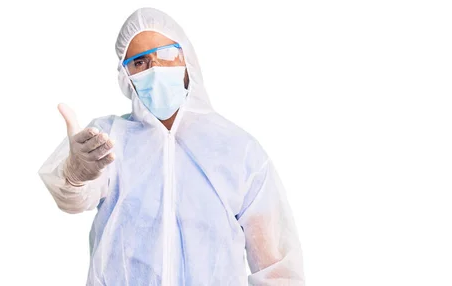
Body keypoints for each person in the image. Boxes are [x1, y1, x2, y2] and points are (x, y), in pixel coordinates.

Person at [38, 7, 304, 285]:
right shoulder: (107, 139)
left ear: (186, 59)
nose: (154, 68)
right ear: (125, 75)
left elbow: (275, 267)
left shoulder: (238, 150)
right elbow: (74, 200)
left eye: (165, 55)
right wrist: (76, 173)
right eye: (139, 62)